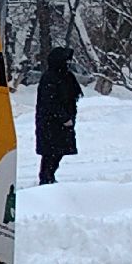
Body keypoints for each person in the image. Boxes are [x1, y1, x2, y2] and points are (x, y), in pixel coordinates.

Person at [35, 46, 82, 184]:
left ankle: (49, 176)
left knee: (58, 151)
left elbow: (72, 97)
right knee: (51, 153)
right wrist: (64, 117)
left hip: (61, 123)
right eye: (65, 61)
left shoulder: (67, 76)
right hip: (51, 123)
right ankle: (46, 178)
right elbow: (50, 102)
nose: (68, 64)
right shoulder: (50, 78)